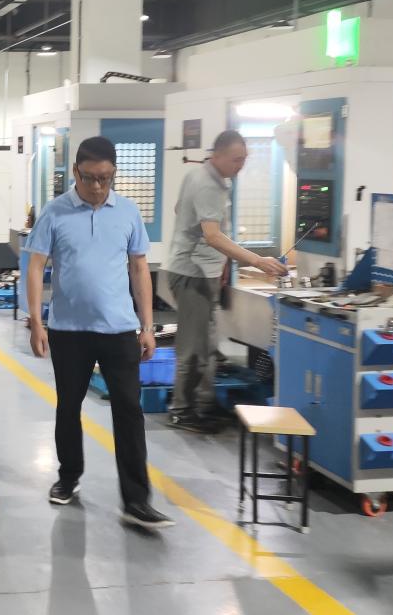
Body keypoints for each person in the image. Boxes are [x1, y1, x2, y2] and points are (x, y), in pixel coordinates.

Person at [25, 136, 174, 530]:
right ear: (75, 172)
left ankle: (136, 500)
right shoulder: (54, 212)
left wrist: (147, 326)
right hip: (68, 331)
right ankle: (68, 476)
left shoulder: (127, 211)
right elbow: (36, 266)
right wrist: (36, 321)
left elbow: (139, 268)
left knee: (129, 411)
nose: (96, 186)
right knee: (68, 407)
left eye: (105, 178)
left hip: (119, 330)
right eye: (89, 177)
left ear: (113, 174)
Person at [163, 130, 288, 433]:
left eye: (244, 159)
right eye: (235, 160)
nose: (240, 165)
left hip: (201, 270)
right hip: (191, 274)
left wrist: (217, 260)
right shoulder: (208, 184)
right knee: (193, 348)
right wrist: (257, 261)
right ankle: (181, 410)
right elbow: (213, 235)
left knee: (207, 346)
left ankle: (203, 405)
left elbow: (181, 209)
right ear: (217, 155)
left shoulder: (204, 176)